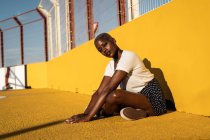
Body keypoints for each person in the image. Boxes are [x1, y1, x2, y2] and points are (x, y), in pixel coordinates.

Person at [65, 33, 166, 124]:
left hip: (152, 98)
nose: (104, 50)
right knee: (107, 98)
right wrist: (85, 114)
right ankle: (138, 112)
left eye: (105, 44)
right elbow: (100, 91)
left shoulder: (128, 56)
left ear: (113, 40)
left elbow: (109, 88)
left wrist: (89, 117)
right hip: (135, 97)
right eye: (100, 50)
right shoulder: (111, 64)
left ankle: (145, 113)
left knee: (114, 95)